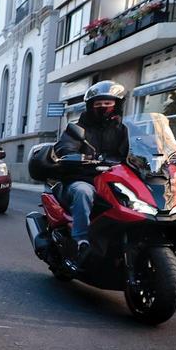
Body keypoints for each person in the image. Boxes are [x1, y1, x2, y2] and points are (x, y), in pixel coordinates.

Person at [52, 80, 130, 266]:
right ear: (90, 106)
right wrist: (75, 155)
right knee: (83, 192)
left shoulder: (124, 129)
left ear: (117, 105)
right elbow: (65, 147)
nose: (103, 107)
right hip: (84, 178)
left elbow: (137, 148)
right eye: (98, 103)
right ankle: (82, 241)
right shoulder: (79, 128)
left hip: (114, 180)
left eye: (108, 103)